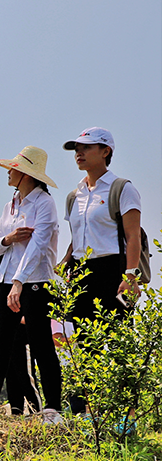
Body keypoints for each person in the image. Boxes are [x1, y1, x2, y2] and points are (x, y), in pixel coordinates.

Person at [0, 146, 63, 423]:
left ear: (26, 174)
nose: (8, 172)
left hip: (35, 281)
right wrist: (9, 239)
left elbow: (38, 246)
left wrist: (19, 281)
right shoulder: (10, 205)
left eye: (13, 168)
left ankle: (52, 409)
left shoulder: (45, 203)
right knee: (0, 343)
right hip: (7, 280)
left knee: (41, 344)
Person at [60, 127, 142, 424]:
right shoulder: (74, 195)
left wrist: (130, 276)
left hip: (113, 271)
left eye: (86, 147)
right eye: (76, 148)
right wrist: (66, 262)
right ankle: (84, 417)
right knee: (83, 346)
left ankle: (126, 419)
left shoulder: (122, 188)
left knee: (119, 345)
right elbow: (77, 237)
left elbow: (132, 236)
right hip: (82, 272)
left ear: (106, 151)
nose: (79, 153)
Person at [0, 291, 41, 416]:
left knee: (27, 379)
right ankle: (16, 414)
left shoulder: (27, 294)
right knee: (12, 381)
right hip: (9, 346)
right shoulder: (6, 298)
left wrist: (13, 318)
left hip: (24, 342)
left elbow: (33, 319)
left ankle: (38, 412)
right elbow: (2, 322)